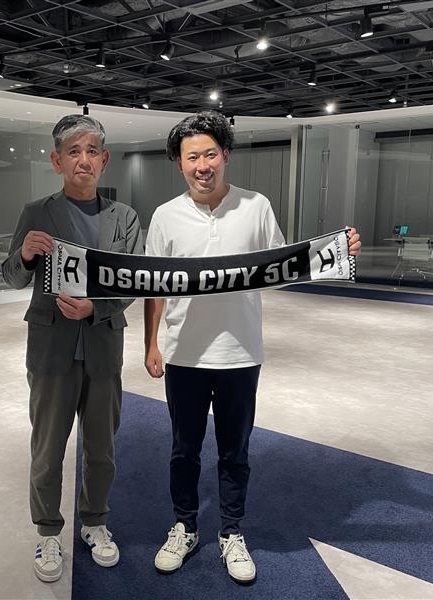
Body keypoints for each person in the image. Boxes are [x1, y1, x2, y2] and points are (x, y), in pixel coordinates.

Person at [143, 111, 361, 583]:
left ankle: (231, 531)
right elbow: (153, 285)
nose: (202, 165)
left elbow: (281, 269)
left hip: (240, 353)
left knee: (235, 452)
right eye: (191, 157)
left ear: (225, 155)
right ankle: (185, 526)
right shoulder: (164, 216)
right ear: (179, 163)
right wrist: (151, 344)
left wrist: (335, 254)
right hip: (184, 353)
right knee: (183, 450)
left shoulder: (256, 206)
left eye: (209, 154)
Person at [2, 115, 143, 583]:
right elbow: (11, 277)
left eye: (92, 151)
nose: (84, 160)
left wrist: (96, 308)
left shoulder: (124, 218)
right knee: (47, 449)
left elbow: (133, 282)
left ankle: (94, 522)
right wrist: (24, 254)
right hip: (51, 350)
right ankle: (48, 531)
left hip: (103, 348)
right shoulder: (36, 212)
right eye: (74, 151)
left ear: (105, 159)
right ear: (56, 160)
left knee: (101, 448)